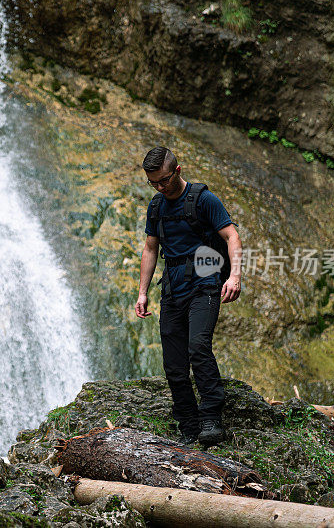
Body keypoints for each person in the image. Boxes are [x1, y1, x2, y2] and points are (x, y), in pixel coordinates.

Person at [134, 146, 242, 446]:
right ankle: (187, 422)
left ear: (177, 171)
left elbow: (231, 235)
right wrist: (142, 293)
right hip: (172, 287)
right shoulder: (156, 207)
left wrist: (234, 276)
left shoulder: (204, 200)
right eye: (153, 182)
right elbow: (151, 248)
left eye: (164, 180)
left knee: (198, 346)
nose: (159, 187)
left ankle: (211, 416)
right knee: (173, 362)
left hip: (206, 282)